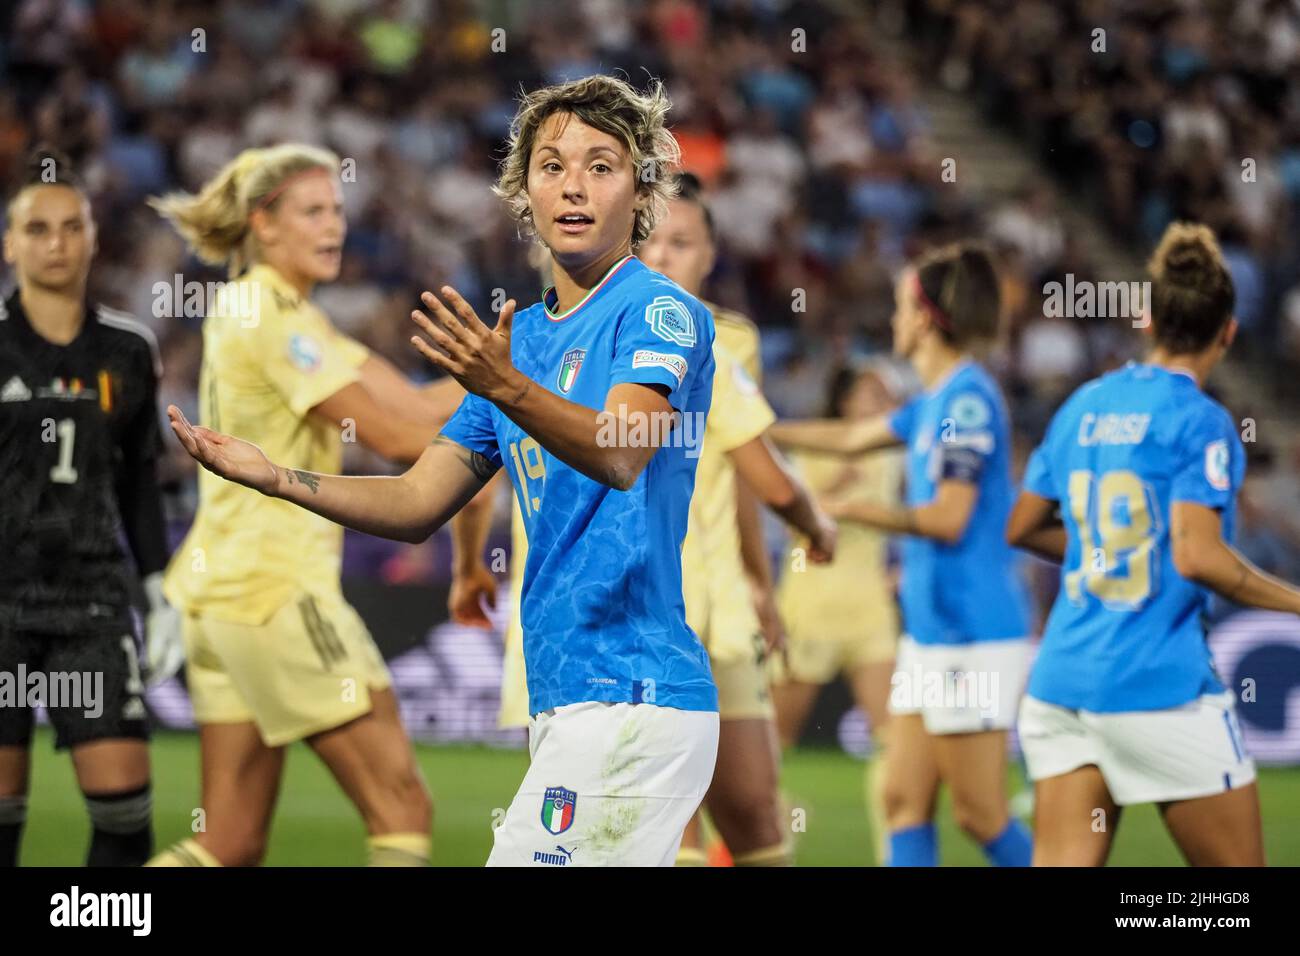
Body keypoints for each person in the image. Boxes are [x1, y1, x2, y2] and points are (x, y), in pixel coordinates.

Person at [166, 74, 723, 867]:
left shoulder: (659, 311)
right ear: (522, 189)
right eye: (551, 165)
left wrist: (502, 386)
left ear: (640, 191)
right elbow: (417, 497)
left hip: (634, 694)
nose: (573, 186)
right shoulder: (519, 340)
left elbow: (623, 447)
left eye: (602, 166)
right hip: (572, 698)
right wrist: (279, 478)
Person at [145, 143, 461, 867]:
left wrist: (520, 365)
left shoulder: (286, 315)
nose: (334, 227)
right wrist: (529, 399)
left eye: (339, 211)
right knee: (402, 806)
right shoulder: (268, 313)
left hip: (221, 596)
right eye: (313, 211)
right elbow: (396, 435)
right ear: (265, 222)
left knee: (227, 842)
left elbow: (417, 401)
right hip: (277, 591)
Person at [1007, 222, 1291, 866]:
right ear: (1229, 332)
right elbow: (1198, 556)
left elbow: (1020, 527)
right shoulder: (1203, 422)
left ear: (1146, 319)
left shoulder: (1083, 404)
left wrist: (1099, 552)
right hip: (1158, 685)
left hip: (1063, 682)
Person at [771, 242, 1034, 867]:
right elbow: (850, 437)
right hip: (933, 634)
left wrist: (854, 511)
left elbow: (949, 519)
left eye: (899, 306)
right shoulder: (933, 402)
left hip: (972, 635)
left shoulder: (965, 402)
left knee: (979, 814)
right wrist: (752, 428)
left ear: (924, 316)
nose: (893, 320)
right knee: (901, 800)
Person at [0, 147, 171, 866]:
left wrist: (160, 591)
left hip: (93, 606)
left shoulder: (129, 349)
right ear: (10, 243)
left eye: (71, 227)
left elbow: (139, 484)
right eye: (37, 229)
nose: (56, 242)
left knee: (127, 822)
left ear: (94, 238)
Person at [769, 360, 906, 865]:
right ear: (847, 400)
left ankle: (896, 850)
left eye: (887, 396)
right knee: (772, 738)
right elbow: (791, 525)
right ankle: (765, 827)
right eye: (873, 393)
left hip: (870, 606)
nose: (882, 403)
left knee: (892, 737)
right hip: (810, 603)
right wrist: (834, 494)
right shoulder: (813, 448)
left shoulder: (894, 452)